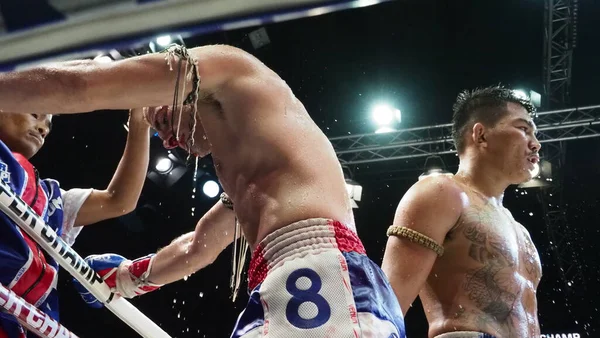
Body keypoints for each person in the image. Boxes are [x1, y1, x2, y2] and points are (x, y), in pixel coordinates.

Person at [0, 44, 405, 337]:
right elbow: (198, 247)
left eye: (159, 112)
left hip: (322, 271)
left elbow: (82, 86)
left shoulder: (231, 69)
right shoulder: (254, 166)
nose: (168, 140)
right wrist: (127, 279)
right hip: (287, 280)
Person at [381, 86, 543, 338]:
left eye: (535, 133)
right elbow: (388, 303)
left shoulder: (519, 229)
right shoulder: (441, 193)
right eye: (523, 129)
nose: (536, 144)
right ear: (481, 135)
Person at [0, 109, 150, 338]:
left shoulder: (50, 198)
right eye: (35, 114)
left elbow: (119, 200)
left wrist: (140, 122)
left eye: (48, 126)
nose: (43, 128)